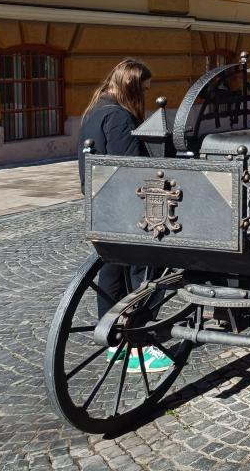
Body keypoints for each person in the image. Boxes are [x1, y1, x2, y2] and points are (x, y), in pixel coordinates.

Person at [77, 59, 173, 373]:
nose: (145, 95)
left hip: (101, 203)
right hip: (123, 206)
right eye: (143, 89)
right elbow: (131, 168)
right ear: (131, 87)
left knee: (111, 271)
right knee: (143, 272)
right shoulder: (118, 117)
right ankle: (138, 343)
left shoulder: (95, 110)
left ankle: (113, 341)